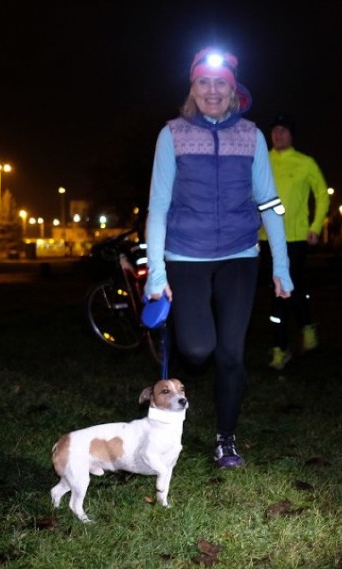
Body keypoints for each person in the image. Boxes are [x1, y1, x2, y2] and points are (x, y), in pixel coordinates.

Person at [144, 46, 293, 469]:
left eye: (221, 84)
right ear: (193, 87)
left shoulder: (252, 136)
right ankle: (177, 343)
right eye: (204, 82)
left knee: (231, 354)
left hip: (240, 255)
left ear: (234, 92)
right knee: (196, 350)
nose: (213, 90)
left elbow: (271, 203)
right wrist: (157, 273)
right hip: (185, 255)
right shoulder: (172, 133)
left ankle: (226, 438)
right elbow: (158, 206)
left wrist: (280, 264)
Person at [259, 113, 330, 370]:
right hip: (266, 237)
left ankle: (282, 346)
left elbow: (322, 195)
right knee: (278, 291)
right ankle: (293, 336)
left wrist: (316, 226)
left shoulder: (305, 162)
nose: (278, 135)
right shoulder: (260, 160)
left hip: (296, 238)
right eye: (274, 131)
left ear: (292, 135)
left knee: (288, 288)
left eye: (283, 131)